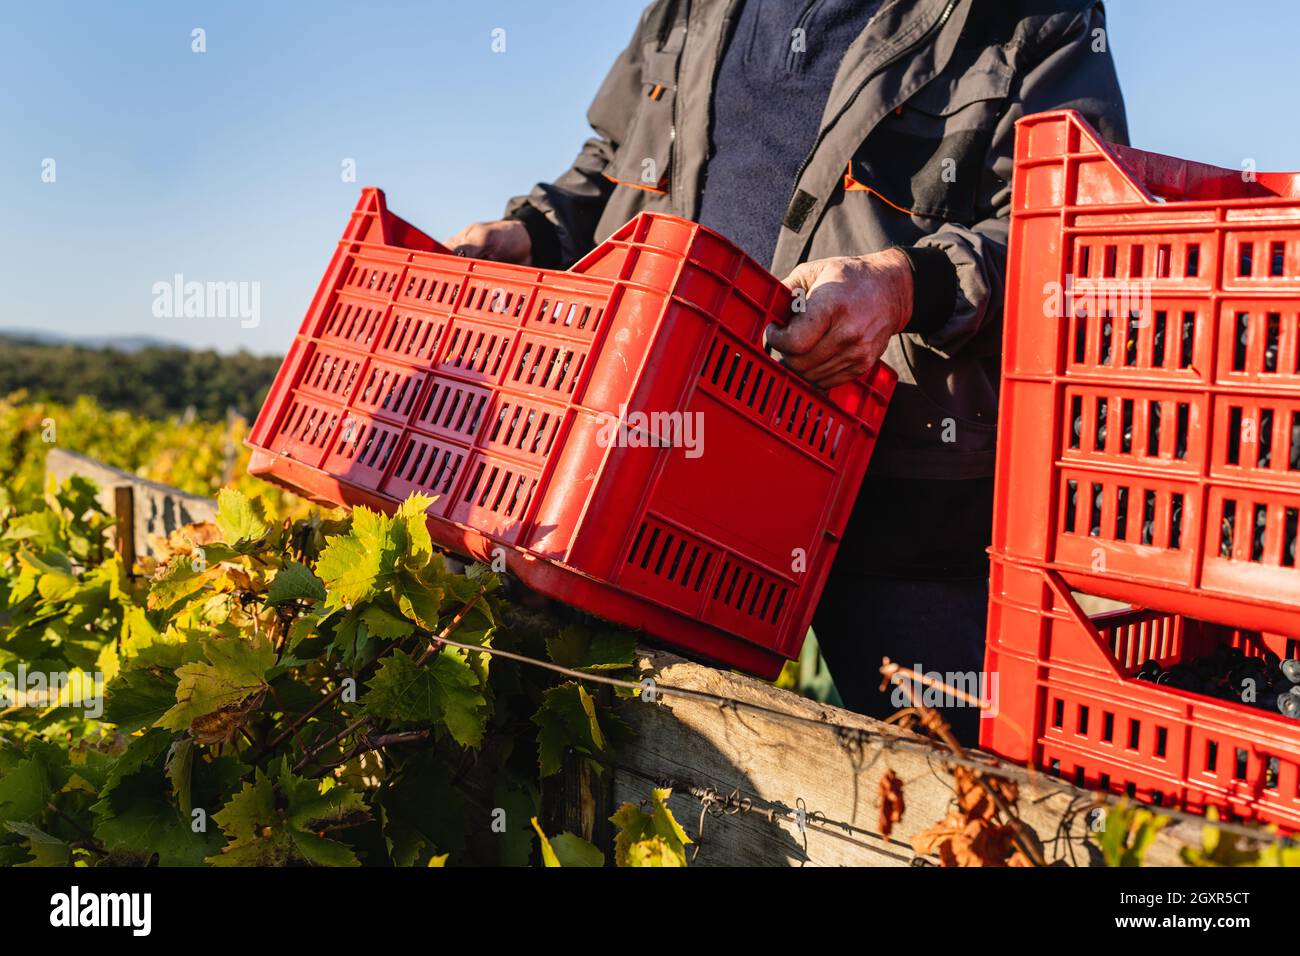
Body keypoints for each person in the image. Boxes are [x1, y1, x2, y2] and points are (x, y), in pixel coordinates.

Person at [447, 0, 1127, 743]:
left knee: (944, 791)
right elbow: (610, 164)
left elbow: (1074, 224)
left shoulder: (1028, 15)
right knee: (601, 760)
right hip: (657, 482)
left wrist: (908, 285)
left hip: (894, 500)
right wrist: (535, 227)